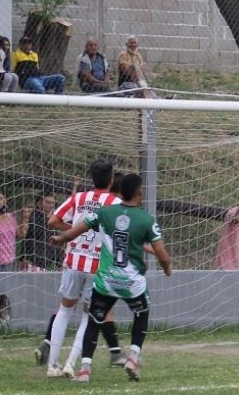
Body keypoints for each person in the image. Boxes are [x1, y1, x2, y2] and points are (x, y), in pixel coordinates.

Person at [50, 173, 173, 382]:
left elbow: (73, 232)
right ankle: (132, 358)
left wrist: (59, 238)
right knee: (141, 313)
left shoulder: (104, 213)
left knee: (94, 320)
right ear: (140, 193)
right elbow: (162, 255)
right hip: (131, 282)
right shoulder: (146, 220)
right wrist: (167, 268)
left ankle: (84, 370)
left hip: (105, 281)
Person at [41, 159, 125, 377]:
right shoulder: (115, 204)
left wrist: (74, 229)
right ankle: (71, 363)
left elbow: (52, 220)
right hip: (98, 266)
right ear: (111, 178)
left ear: (92, 177)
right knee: (89, 316)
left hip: (73, 261)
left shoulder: (79, 198)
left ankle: (52, 366)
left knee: (65, 310)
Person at [21, 193, 63, 272]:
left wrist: (59, 261)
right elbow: (27, 233)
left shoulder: (53, 219)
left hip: (47, 262)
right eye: (48, 202)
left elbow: (53, 242)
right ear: (39, 203)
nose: (51, 205)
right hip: (32, 261)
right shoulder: (33, 216)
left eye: (53, 203)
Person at [0, 192, 29, 271]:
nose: (4, 201)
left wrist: (25, 218)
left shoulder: (10, 217)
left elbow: (21, 234)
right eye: (0, 199)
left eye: (4, 198)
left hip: (9, 260)